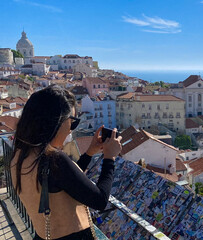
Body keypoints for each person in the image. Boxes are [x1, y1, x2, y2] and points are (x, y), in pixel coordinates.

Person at [9, 85, 122, 240]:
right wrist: (110, 158)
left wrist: (89, 152)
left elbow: (66, 181)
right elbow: (100, 200)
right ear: (56, 121)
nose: (71, 130)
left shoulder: (20, 154)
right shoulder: (54, 159)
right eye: (73, 122)